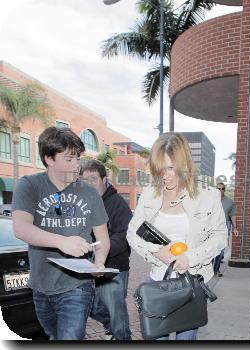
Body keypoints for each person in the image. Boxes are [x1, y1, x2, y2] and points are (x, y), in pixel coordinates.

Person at [12, 127, 110, 340]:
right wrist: (62, 242)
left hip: (77, 286)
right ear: (49, 158)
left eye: (78, 158)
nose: (76, 165)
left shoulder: (89, 192)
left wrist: (100, 261)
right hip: (40, 286)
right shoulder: (29, 186)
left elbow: (102, 237)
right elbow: (21, 227)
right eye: (68, 159)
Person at [127, 132, 227, 341]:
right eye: (160, 169)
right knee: (155, 337)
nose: (166, 175)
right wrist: (155, 251)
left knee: (186, 338)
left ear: (184, 164)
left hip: (192, 283)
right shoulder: (149, 193)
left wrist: (191, 257)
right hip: (158, 281)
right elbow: (132, 233)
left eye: (171, 168)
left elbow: (219, 237)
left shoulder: (208, 196)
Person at [81, 160, 132, 340]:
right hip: (90, 268)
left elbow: (126, 236)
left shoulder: (117, 203)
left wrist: (102, 249)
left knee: (117, 313)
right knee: (90, 306)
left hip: (113, 269)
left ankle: (122, 338)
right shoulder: (84, 204)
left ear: (104, 179)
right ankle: (112, 328)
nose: (88, 184)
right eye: (84, 180)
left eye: (93, 179)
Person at [213, 182, 238, 277]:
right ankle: (208, 270)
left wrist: (235, 228)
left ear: (224, 190)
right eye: (218, 189)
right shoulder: (210, 200)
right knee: (210, 248)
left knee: (220, 249)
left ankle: (216, 269)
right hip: (211, 226)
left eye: (222, 189)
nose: (220, 190)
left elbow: (233, 216)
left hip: (225, 225)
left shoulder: (230, 202)